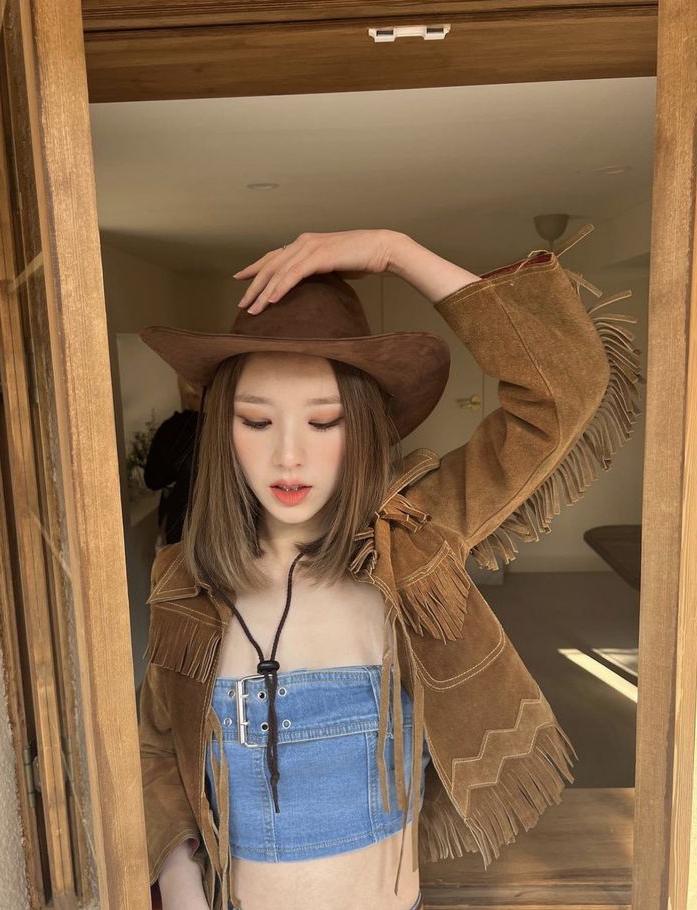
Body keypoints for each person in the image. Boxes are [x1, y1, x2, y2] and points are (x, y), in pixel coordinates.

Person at [137, 227, 644, 910]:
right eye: (257, 423)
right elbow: (159, 748)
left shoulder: (414, 545)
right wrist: (176, 874)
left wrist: (393, 251)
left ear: (367, 428)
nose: (289, 457)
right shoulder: (185, 579)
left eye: (325, 423)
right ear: (223, 430)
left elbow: (565, 388)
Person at [143, 376, 201, 545]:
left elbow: (152, 479)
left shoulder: (172, 430)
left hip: (180, 530)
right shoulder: (232, 426)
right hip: (226, 532)